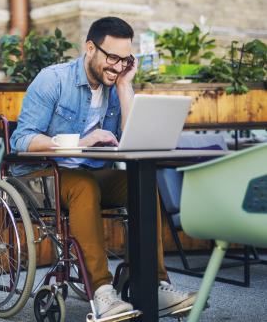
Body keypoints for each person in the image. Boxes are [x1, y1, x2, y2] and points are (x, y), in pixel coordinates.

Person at [10, 17, 197, 318]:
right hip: (42, 176)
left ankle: (154, 285)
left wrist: (125, 85)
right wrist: (80, 141)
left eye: (125, 60)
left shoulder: (117, 82)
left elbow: (130, 140)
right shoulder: (54, 80)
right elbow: (22, 139)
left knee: (141, 184)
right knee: (84, 185)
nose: (117, 65)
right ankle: (102, 293)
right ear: (89, 48)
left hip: (90, 173)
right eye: (112, 57)